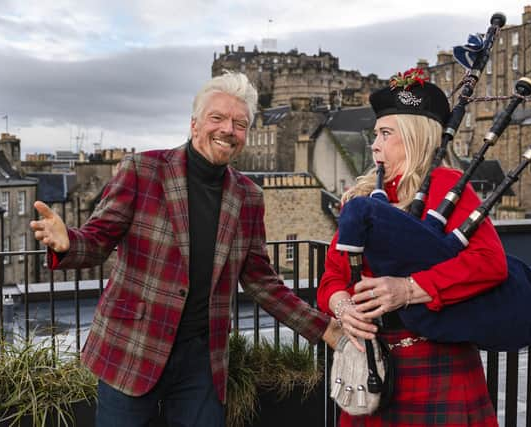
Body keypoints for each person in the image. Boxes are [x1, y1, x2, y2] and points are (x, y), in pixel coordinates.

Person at [30, 71, 341, 427]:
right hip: (133, 347)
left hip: (201, 360)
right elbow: (99, 240)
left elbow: (262, 282)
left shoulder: (248, 197)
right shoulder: (142, 170)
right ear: (194, 124)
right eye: (218, 118)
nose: (228, 130)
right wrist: (68, 241)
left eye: (240, 124)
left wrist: (325, 329)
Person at [317, 69, 507, 426]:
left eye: (386, 134)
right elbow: (331, 278)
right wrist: (343, 309)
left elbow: (490, 263)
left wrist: (408, 290)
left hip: (438, 366)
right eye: (376, 134)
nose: (374, 144)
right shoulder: (360, 198)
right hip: (372, 367)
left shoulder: (447, 187)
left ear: (416, 138)